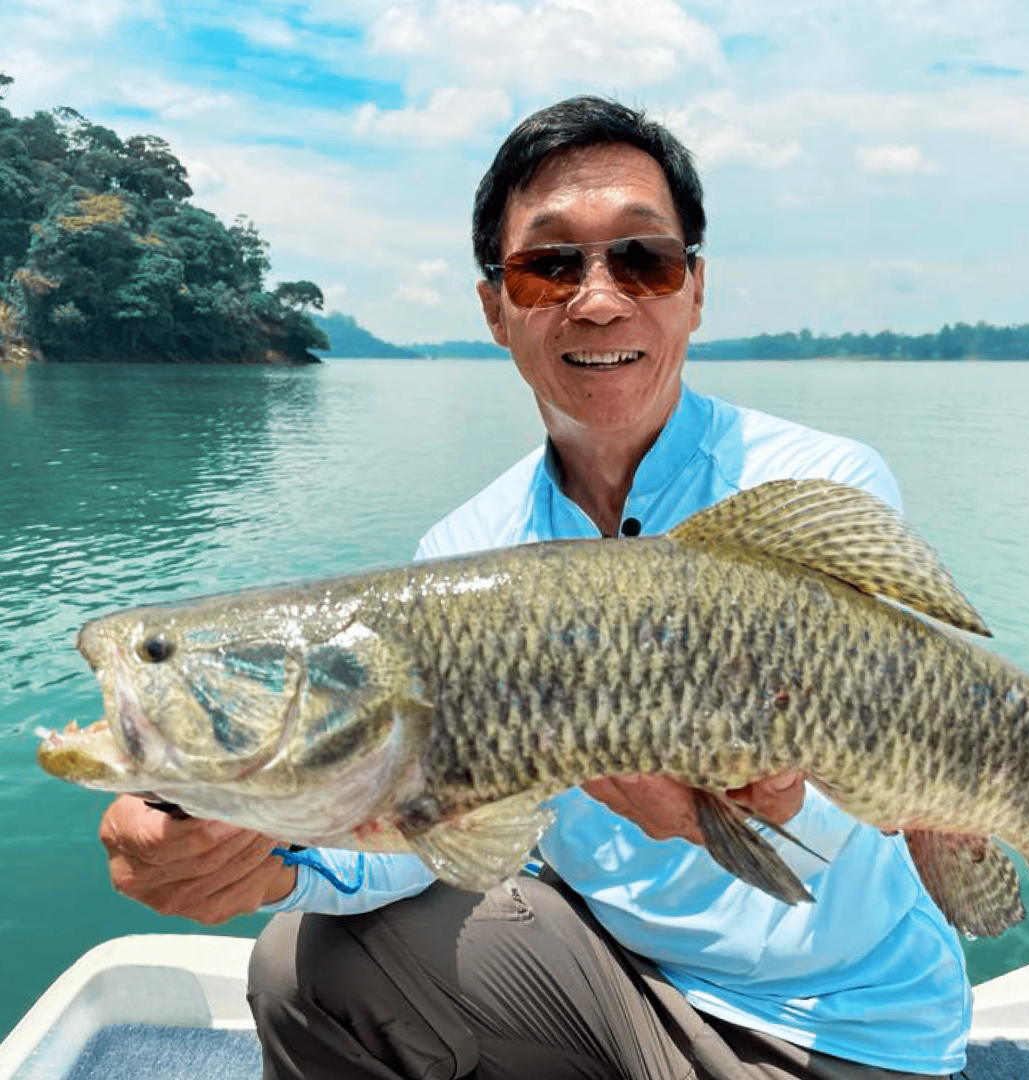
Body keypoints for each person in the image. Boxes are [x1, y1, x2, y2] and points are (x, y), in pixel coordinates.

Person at [99, 96, 971, 1078]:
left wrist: (760, 799)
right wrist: (247, 847)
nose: (599, 299)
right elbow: (431, 829)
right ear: (494, 307)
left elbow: (891, 773)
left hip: (833, 1025)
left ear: (694, 291)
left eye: (643, 258)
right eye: (550, 265)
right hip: (608, 979)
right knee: (302, 966)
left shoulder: (817, 488)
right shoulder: (464, 550)